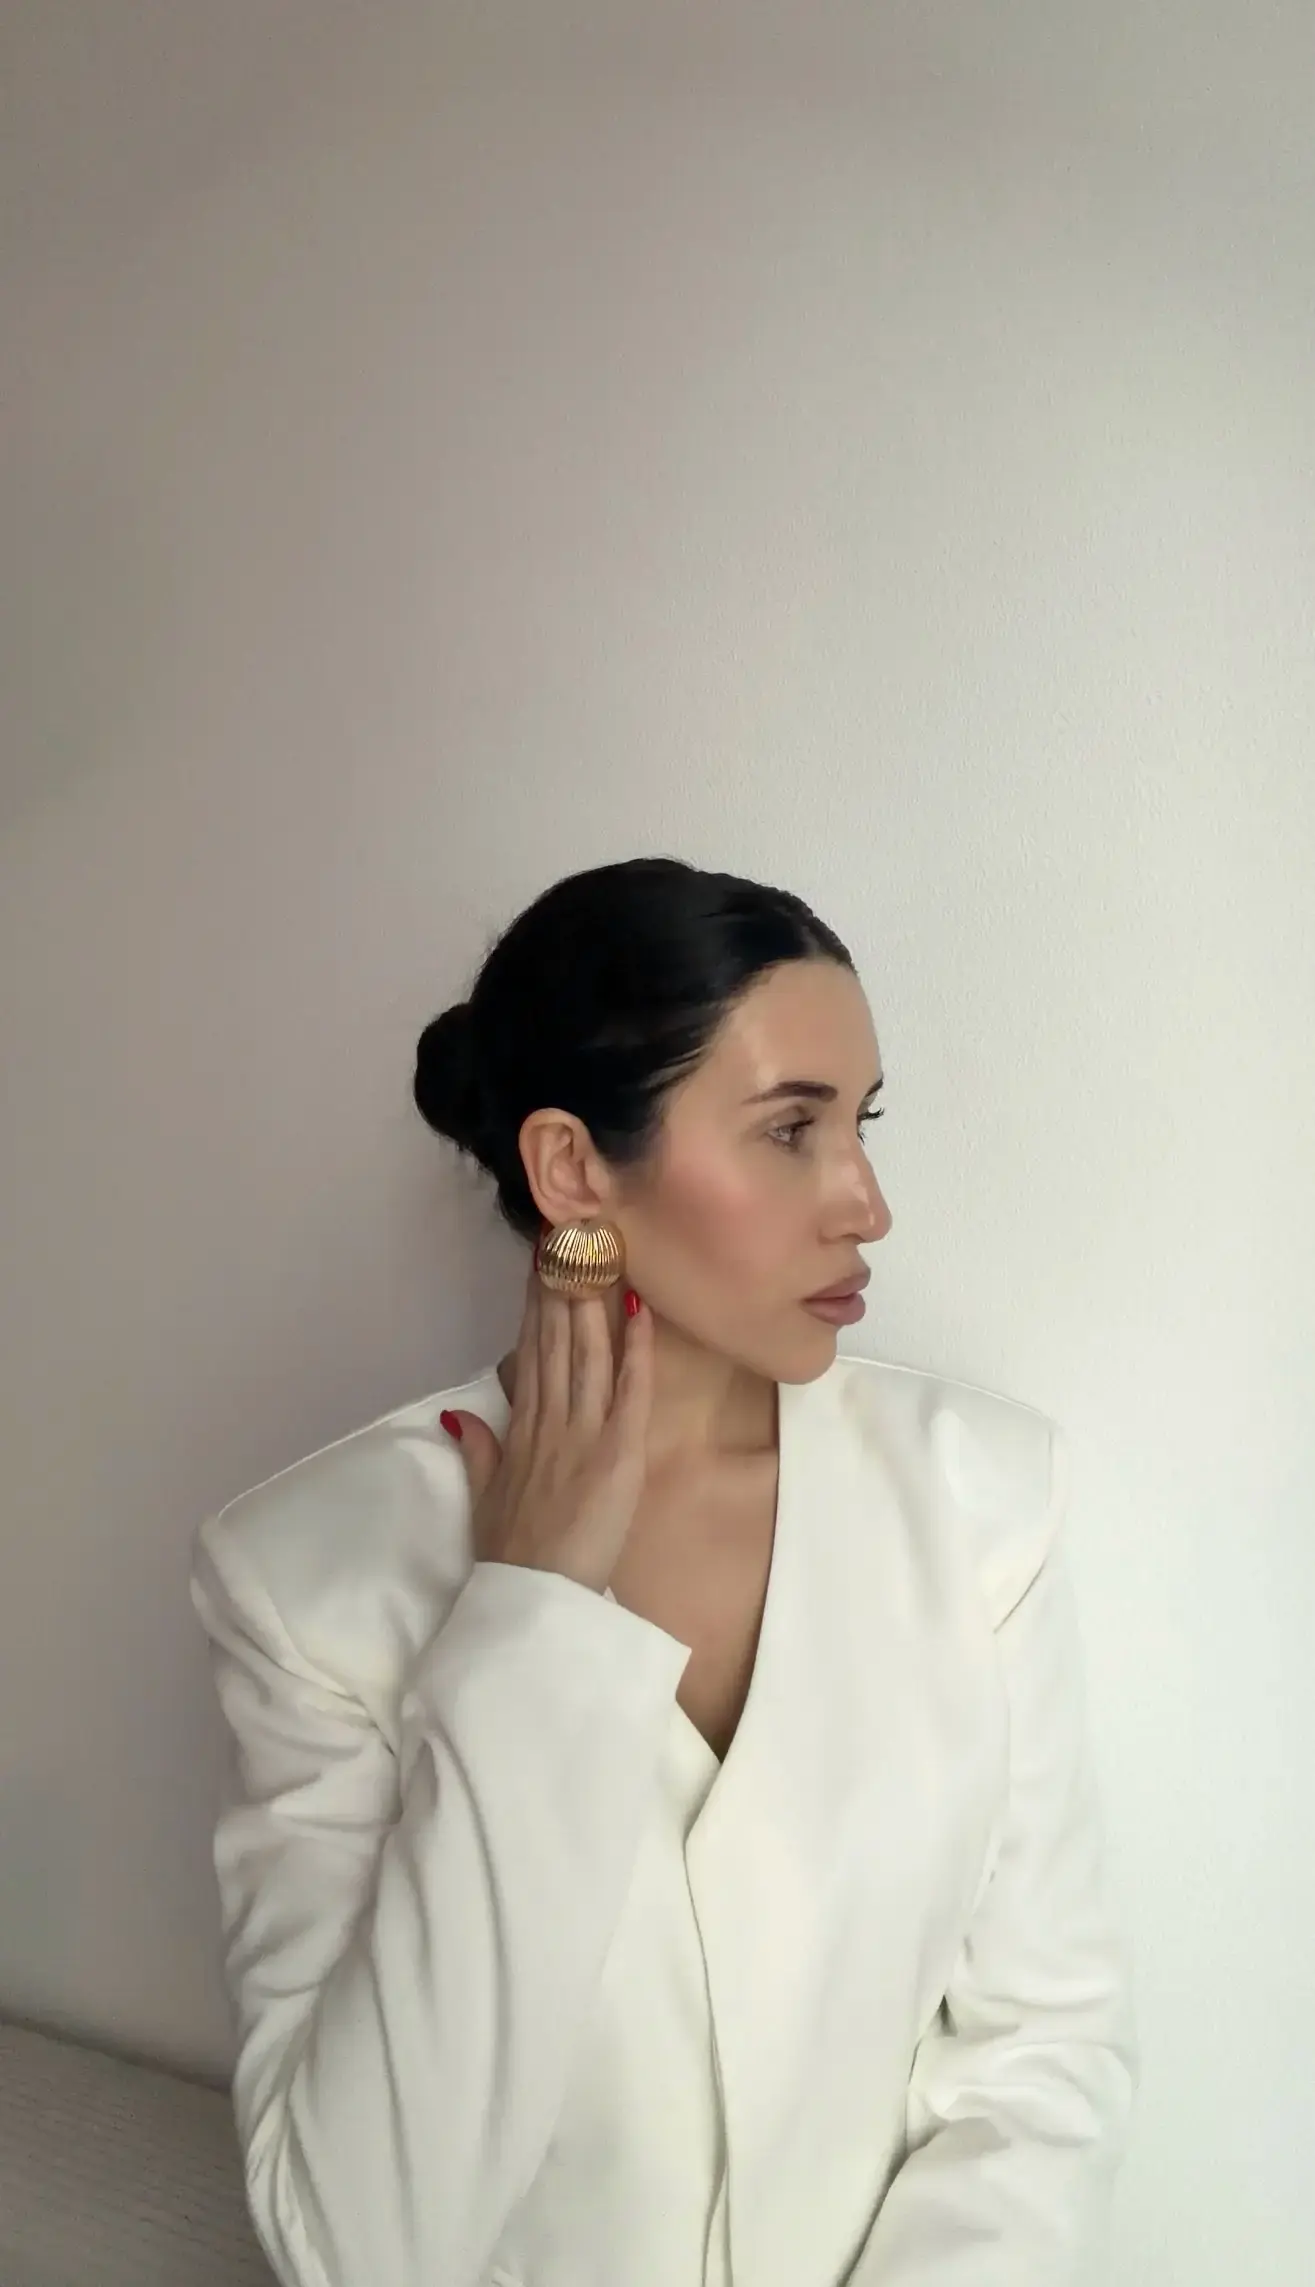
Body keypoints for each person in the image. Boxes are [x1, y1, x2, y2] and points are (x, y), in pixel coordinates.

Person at [191, 855, 1136, 2287]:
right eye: (791, 1129)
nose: (866, 1203)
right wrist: (529, 1619)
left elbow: (1042, 2055)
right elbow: (357, 2243)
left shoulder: (981, 1500)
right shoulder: (305, 1582)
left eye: (862, 1123)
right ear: (572, 1169)